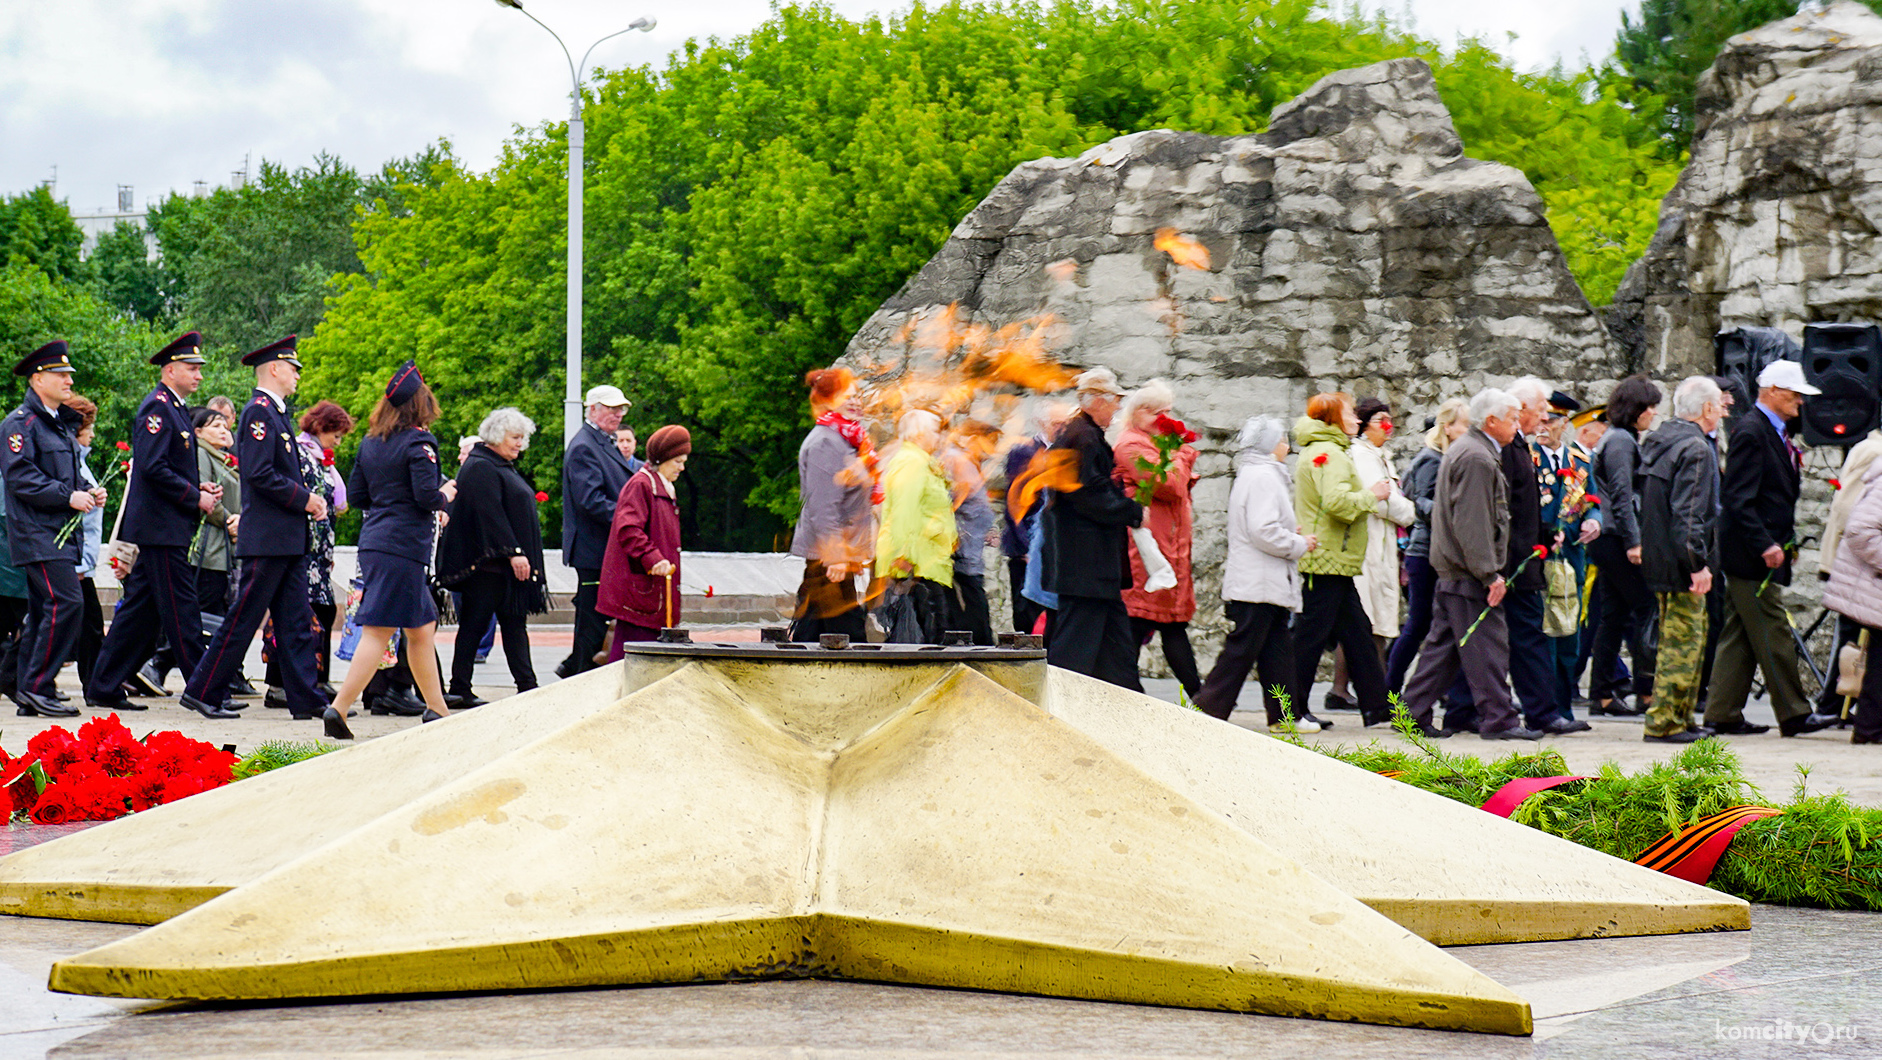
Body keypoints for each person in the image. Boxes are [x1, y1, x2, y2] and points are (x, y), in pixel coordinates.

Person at [178, 335, 327, 722]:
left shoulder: (276, 413)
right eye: (292, 368)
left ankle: (306, 697)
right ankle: (202, 690)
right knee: (243, 618)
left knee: (295, 621)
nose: (297, 376)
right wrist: (305, 499)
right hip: (269, 537)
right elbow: (260, 474)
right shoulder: (259, 413)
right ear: (275, 369)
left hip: (286, 537)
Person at [320, 361, 456, 740]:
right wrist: (446, 494)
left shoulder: (370, 442)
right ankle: (339, 708)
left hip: (377, 541)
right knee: (379, 631)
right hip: (404, 546)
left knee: (421, 628)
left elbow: (359, 495)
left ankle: (437, 709)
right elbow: (427, 497)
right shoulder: (420, 443)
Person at [83, 332, 219, 712]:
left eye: (199, 369)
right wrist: (196, 497)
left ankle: (104, 685)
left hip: (165, 526)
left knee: (141, 614)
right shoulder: (157, 408)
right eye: (192, 369)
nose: (198, 376)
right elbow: (152, 466)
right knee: (183, 611)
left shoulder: (173, 407)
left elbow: (167, 467)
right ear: (170, 370)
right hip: (160, 529)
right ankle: (202, 691)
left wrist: (198, 486)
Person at [1706, 360, 1838, 737]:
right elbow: (1738, 500)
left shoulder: (1771, 431)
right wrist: (1765, 543)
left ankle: (1721, 712)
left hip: (1758, 551)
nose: (1800, 401)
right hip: (1751, 555)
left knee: (1740, 634)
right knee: (1773, 630)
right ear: (1774, 391)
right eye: (1795, 393)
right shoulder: (1753, 431)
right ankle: (1794, 714)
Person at [1399, 388, 1525, 740]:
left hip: (1456, 569)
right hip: (1468, 572)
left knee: (1444, 648)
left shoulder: (1471, 451)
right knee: (1489, 646)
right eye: (1513, 419)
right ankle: (1499, 719)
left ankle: (1411, 714)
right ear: (1492, 422)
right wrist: (1489, 574)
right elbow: (1473, 523)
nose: (1518, 425)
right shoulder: (1476, 457)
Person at [1194, 415, 1315, 729]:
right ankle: (1206, 708)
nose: (1287, 446)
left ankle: (1284, 716)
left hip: (1261, 580)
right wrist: (1298, 542)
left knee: (1276, 651)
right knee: (1243, 651)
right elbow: (1262, 530)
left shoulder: (1255, 474)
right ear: (1271, 445)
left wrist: (1290, 535)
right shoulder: (1263, 476)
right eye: (1283, 440)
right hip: (1259, 581)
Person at [1, 341, 98, 718]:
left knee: (44, 610)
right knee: (67, 602)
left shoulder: (57, 424)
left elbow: (67, 475)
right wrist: (68, 496)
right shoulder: (20, 424)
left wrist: (88, 493)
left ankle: (29, 689)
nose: (68, 381)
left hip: (58, 532)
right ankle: (38, 685)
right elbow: (21, 478)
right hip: (37, 533)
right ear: (38, 378)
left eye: (69, 375)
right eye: (60, 375)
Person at [1290, 392, 1389, 728]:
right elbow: (1336, 502)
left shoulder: (1330, 450)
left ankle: (1378, 708)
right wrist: (1372, 495)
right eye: (1349, 412)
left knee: (1358, 632)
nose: (1357, 419)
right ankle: (1292, 707)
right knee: (1311, 637)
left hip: (1334, 558)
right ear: (1333, 417)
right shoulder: (1328, 453)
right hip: (1326, 558)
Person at [1041, 368, 1144, 688]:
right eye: (1114, 400)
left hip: (1089, 567)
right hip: (1086, 564)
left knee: (1115, 646)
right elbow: (1089, 493)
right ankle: (1056, 703)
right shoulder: (1082, 437)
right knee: (1075, 647)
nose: (1117, 408)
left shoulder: (1080, 434)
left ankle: (1129, 703)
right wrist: (1133, 510)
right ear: (1097, 401)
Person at [1637, 375, 1725, 743]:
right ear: (1706, 409)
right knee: (1682, 645)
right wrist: (1697, 563)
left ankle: (1683, 717)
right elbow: (1689, 514)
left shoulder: (1662, 441)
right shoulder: (1696, 449)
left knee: (1688, 640)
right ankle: (1664, 722)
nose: (1722, 411)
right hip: (1681, 563)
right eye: (1720, 404)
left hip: (1661, 557)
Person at [437, 407, 546, 705]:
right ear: (497, 436)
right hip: (488, 566)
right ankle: (460, 687)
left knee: (511, 625)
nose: (519, 444)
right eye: (514, 437)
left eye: (522, 438)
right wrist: (514, 552)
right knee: (475, 625)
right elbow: (490, 515)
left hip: (499, 567)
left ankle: (527, 684)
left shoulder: (495, 463)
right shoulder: (482, 466)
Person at [1113, 380, 1202, 697]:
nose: (1165, 419)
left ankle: (1197, 697)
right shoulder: (1131, 446)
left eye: (1168, 412)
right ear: (1139, 413)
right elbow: (1168, 485)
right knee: (1144, 619)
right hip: (1148, 549)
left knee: (1163, 622)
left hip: (1168, 546)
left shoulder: (1152, 445)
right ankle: (1197, 697)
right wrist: (1184, 454)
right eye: (1158, 413)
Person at [1587, 376, 1661, 717]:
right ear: (1636, 409)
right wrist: (1635, 542)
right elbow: (1621, 494)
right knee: (1646, 608)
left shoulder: (1619, 438)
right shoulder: (1621, 442)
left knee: (1613, 615)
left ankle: (1602, 694)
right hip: (1617, 537)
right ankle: (1646, 691)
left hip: (1611, 536)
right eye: (1649, 407)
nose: (1654, 413)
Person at [1385, 398, 1468, 694]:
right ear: (1448, 427)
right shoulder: (1430, 459)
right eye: (1465, 425)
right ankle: (1390, 688)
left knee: (1442, 625)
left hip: (1438, 551)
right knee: (1419, 624)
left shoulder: (1445, 456)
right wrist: (1459, 513)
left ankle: (1447, 691)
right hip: (1425, 552)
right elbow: (1420, 504)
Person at [788, 368, 876, 643]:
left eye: (857, 396)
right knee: (847, 636)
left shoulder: (845, 441)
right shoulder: (826, 443)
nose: (855, 402)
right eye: (846, 397)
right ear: (827, 401)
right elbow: (823, 506)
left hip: (836, 559)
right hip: (830, 561)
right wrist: (836, 555)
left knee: (814, 632)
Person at [1531, 391, 1598, 732]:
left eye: (1551, 421)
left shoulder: (1579, 461)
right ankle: (1543, 710)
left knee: (1569, 631)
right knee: (1542, 632)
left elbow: (1591, 499)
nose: (1543, 427)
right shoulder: (1528, 457)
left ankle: (1563, 708)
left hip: (1571, 555)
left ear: (1564, 424)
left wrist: (1594, 520)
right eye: (1541, 420)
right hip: (1537, 556)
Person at [557, 384, 634, 679]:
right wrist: (631, 518)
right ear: (592, 409)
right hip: (594, 550)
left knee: (595, 618)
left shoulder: (598, 441)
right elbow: (590, 501)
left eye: (621, 409)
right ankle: (580, 675)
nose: (618, 414)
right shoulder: (585, 446)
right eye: (611, 408)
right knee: (594, 620)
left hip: (599, 547)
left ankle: (575, 669)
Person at [280, 400, 352, 699]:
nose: (338, 440)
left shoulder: (322, 458)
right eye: (336, 433)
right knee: (300, 614)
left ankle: (318, 679)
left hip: (321, 547)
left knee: (321, 613)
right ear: (321, 426)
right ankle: (283, 684)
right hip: (303, 543)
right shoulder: (300, 451)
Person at [1346, 396, 1416, 698]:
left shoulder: (1379, 455)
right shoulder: (1362, 456)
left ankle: (1365, 690)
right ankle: (1371, 692)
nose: (1387, 427)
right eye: (1380, 421)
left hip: (1383, 546)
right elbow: (1383, 503)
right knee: (1366, 619)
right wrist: (1408, 510)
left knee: (1371, 620)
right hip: (1369, 545)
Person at [599, 425, 689, 655]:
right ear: (663, 458)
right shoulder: (641, 484)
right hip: (641, 595)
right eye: (678, 461)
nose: (682, 467)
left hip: (653, 593)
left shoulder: (662, 486)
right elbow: (628, 529)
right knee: (630, 657)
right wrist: (653, 558)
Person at [1815, 426, 1882, 715]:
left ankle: (1841, 706)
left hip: (1858, 564)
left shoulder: (1871, 447)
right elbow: (1848, 509)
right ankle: (1833, 704)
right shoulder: (1875, 453)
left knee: (1853, 642)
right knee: (1851, 642)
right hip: (1860, 569)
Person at [874, 409, 955, 644]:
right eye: (934, 431)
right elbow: (904, 511)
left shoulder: (921, 462)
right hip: (916, 565)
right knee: (929, 637)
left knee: (932, 634)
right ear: (918, 433)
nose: (939, 437)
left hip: (925, 561)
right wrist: (903, 555)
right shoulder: (911, 463)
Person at [941, 420, 999, 645]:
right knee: (972, 610)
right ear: (974, 439)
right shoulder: (958, 461)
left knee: (975, 607)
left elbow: (976, 506)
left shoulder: (970, 463)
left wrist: (988, 528)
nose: (993, 450)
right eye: (990, 442)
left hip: (970, 553)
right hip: (961, 557)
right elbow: (949, 502)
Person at [65, 395, 107, 695]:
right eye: (88, 428)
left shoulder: (78, 461)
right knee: (87, 625)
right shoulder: (70, 461)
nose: (92, 435)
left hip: (82, 560)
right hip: (75, 559)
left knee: (88, 626)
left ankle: (96, 684)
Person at [1000, 408, 1052, 635]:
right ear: (1043, 423)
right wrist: (1027, 548)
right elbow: (1015, 504)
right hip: (1026, 549)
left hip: (1048, 548)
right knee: (1026, 614)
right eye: (1056, 423)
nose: (1061, 427)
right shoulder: (1024, 452)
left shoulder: (1061, 453)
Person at [188, 406, 241, 619]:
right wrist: (232, 522)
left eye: (225, 426)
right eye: (216, 426)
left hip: (226, 547)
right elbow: (206, 497)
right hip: (209, 550)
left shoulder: (224, 458)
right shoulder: (201, 453)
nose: (223, 430)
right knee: (207, 612)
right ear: (198, 432)